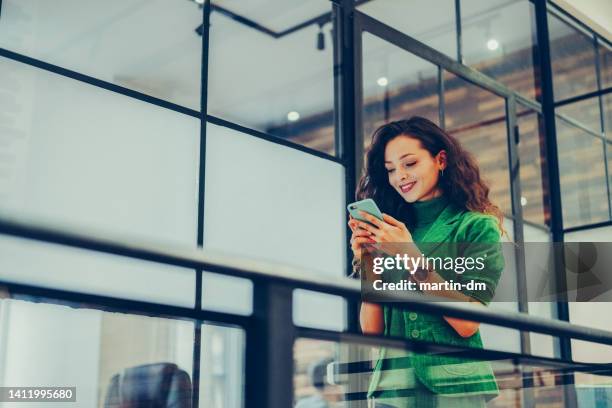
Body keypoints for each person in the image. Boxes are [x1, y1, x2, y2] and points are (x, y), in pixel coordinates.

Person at [348, 117, 506, 407]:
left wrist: (409, 255)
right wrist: (368, 261)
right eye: (391, 170)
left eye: (410, 164)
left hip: (454, 387)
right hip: (392, 389)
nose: (400, 177)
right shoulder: (389, 230)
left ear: (440, 160)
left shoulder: (475, 227)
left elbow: (468, 323)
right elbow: (372, 330)